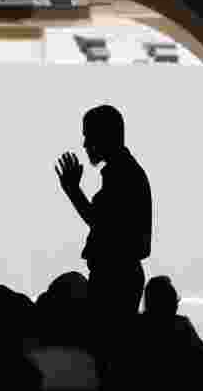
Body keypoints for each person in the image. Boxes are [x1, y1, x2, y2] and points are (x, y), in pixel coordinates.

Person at [55, 105, 152, 342]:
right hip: (118, 276)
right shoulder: (124, 172)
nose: (85, 144)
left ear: (105, 136)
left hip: (114, 279)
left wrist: (72, 190)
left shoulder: (122, 175)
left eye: (88, 136)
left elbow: (100, 223)